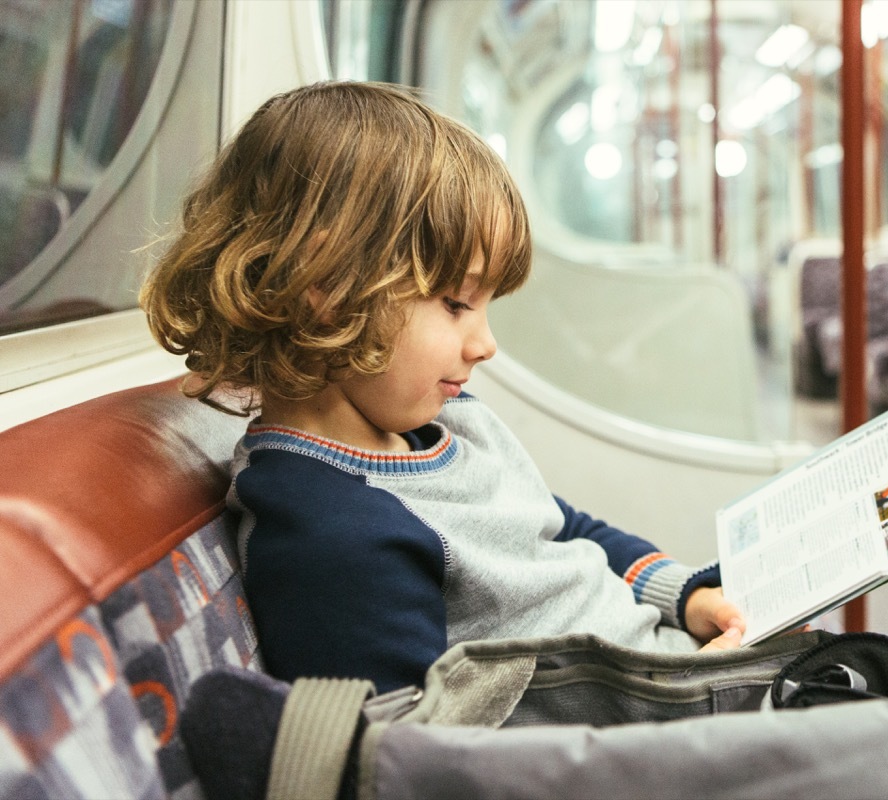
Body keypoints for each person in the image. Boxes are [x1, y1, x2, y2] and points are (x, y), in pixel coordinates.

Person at [139, 81, 745, 694]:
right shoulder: (334, 537)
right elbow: (419, 752)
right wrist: (697, 689)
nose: (485, 345)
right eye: (457, 303)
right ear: (323, 287)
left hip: (681, 657)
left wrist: (687, 597)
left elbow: (562, 530)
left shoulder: (455, 425)